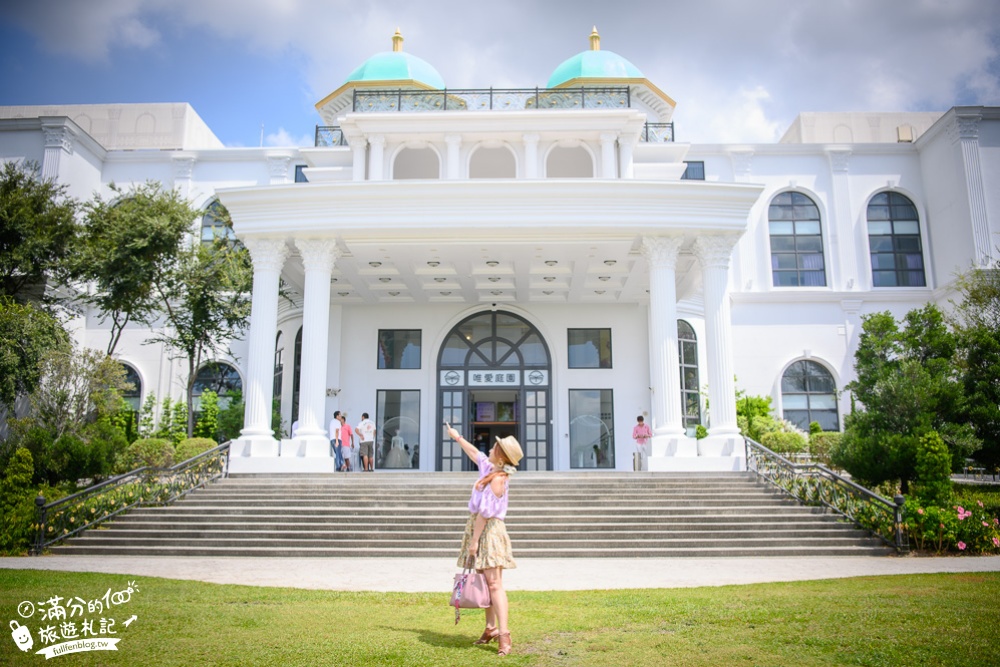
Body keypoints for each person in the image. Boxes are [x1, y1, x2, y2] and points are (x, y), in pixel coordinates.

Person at [446, 422, 521, 657]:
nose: (489, 448)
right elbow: (474, 453)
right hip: (480, 528)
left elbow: (485, 514)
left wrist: (474, 541)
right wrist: (457, 437)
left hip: (488, 531)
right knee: (486, 583)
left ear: (500, 455)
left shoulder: (498, 478)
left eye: (494, 447)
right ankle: (490, 628)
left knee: (495, 584)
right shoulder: (489, 469)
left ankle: (504, 635)